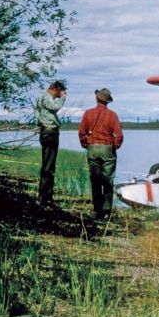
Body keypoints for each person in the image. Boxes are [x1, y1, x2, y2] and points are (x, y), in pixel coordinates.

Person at [78, 88, 123, 217]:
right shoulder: (112, 115)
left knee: (95, 180)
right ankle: (107, 210)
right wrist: (114, 146)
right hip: (107, 149)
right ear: (107, 101)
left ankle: (97, 210)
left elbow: (82, 132)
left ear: (97, 99)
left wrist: (86, 144)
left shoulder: (88, 113)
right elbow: (119, 135)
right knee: (108, 180)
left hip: (92, 148)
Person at [35, 80, 67, 208]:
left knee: (48, 164)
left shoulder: (42, 98)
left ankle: (45, 195)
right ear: (54, 89)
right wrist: (63, 98)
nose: (60, 95)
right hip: (49, 131)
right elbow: (55, 107)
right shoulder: (45, 97)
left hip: (46, 131)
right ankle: (45, 198)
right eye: (60, 92)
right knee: (49, 166)